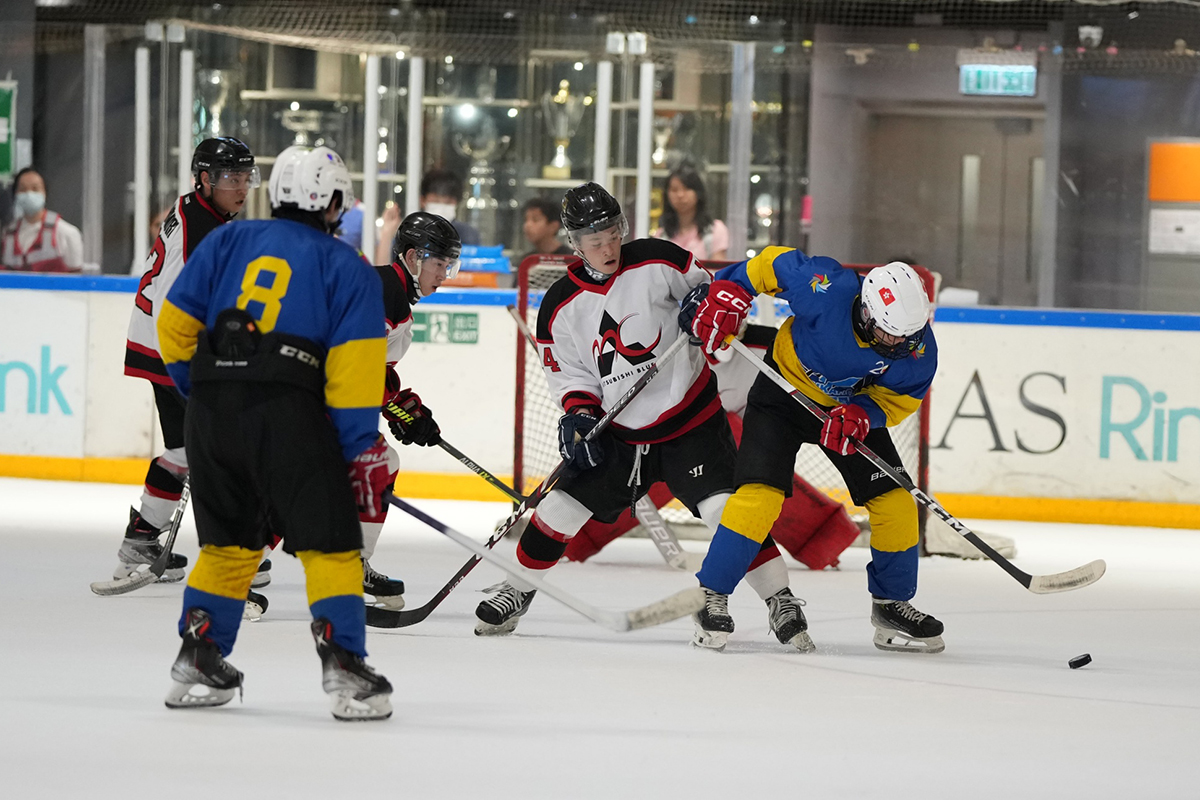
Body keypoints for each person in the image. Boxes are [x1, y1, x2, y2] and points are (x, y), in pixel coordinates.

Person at [473, 183, 810, 653]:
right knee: (558, 509)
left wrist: (705, 311)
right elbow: (570, 375)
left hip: (690, 421)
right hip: (618, 433)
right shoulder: (559, 305)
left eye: (613, 234)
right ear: (574, 242)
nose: (608, 247)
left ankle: (781, 599)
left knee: (727, 514)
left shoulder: (660, 259)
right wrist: (579, 415)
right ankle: (517, 588)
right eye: (595, 240)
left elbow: (718, 302)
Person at [156, 144, 393, 720]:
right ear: (333, 201)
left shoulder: (226, 240)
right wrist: (353, 448)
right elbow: (354, 377)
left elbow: (173, 326)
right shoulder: (348, 267)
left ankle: (199, 654)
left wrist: (205, 391)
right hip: (289, 413)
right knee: (331, 542)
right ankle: (345, 665)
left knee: (230, 543)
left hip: (211, 412)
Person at [685, 254, 944, 653]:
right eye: (890, 334)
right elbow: (767, 265)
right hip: (781, 397)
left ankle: (891, 604)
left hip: (846, 414)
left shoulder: (918, 348)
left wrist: (864, 415)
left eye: (908, 335)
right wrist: (731, 291)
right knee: (758, 499)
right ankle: (711, 595)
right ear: (866, 312)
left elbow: (899, 399)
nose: (900, 345)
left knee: (896, 502)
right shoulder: (827, 287)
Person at [562, 324, 861, 570]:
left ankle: (821, 539)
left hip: (741, 440)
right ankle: (567, 537)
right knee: (636, 463)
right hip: (680, 437)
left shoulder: (770, 346)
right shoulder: (667, 344)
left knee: (757, 472)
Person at [117, 137, 259, 587]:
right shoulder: (199, 228)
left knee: (185, 449)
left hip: (160, 346)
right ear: (204, 180)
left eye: (245, 177)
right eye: (230, 178)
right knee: (217, 448)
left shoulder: (201, 212)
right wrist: (196, 364)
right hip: (168, 351)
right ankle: (231, 549)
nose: (241, 187)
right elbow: (172, 305)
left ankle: (141, 537)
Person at [360, 211, 462, 608]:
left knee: (377, 464)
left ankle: (352, 564)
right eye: (440, 264)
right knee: (362, 469)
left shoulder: (393, 292)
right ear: (414, 257)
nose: (444, 274)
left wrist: (402, 407)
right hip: (309, 400)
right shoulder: (385, 292)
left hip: (320, 399)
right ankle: (237, 574)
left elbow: (371, 369)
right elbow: (351, 365)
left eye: (449, 266)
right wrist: (400, 411)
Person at [1, 167, 84, 272]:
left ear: (44, 193)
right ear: (15, 194)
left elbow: (77, 276)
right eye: (22, 189)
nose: (29, 194)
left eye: (35, 189)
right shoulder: (8, 235)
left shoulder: (67, 233)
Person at [654, 163, 728, 261]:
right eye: (674, 190)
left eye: (686, 188)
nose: (680, 195)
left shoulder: (715, 230)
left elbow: (718, 268)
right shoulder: (661, 236)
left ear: (698, 193)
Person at [518, 197, 573, 263]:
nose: (527, 225)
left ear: (553, 226)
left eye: (535, 220)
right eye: (525, 220)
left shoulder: (571, 258)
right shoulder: (526, 260)